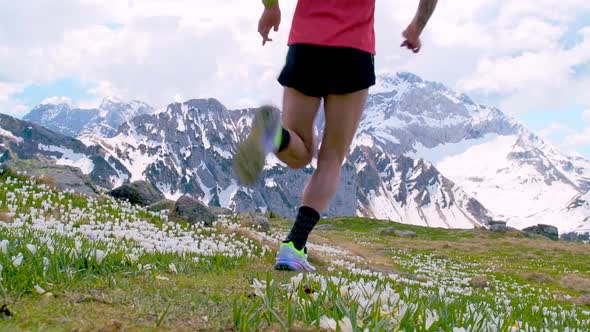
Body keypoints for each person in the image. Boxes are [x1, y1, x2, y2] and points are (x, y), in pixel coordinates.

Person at [233, 0, 438, 271]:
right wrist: (416, 27)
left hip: (306, 45)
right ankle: (294, 245)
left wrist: (271, 7)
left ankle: (277, 135)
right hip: (353, 51)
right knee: (331, 158)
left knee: (299, 149)